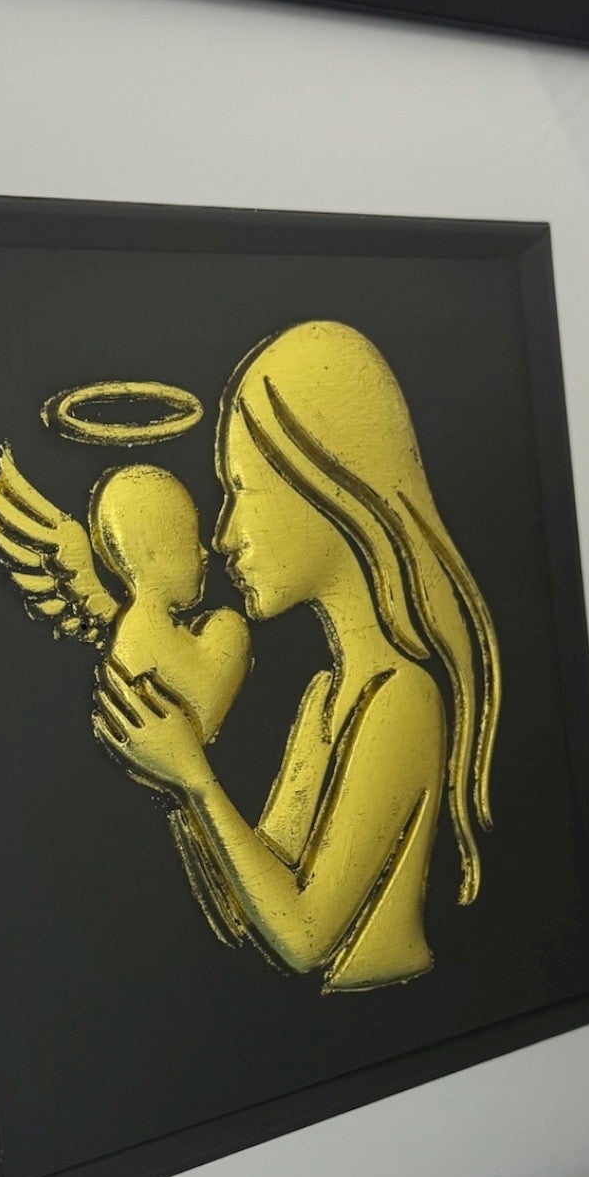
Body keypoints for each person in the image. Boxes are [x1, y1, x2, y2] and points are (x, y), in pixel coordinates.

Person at [94, 318, 500, 991]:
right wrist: (174, 777)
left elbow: (306, 936)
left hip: (390, 1025)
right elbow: (246, 906)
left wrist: (193, 775)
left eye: (240, 492)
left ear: (320, 485)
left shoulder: (402, 695)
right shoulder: (325, 695)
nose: (223, 535)